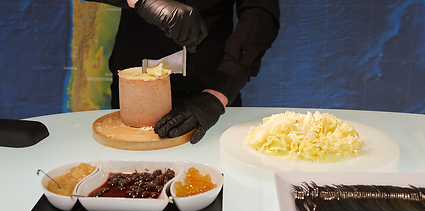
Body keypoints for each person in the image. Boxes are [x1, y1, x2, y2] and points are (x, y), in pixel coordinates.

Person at [86, 0, 280, 144]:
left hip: (215, 88)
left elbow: (260, 11)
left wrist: (216, 97)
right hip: (136, 89)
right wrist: (143, 1)